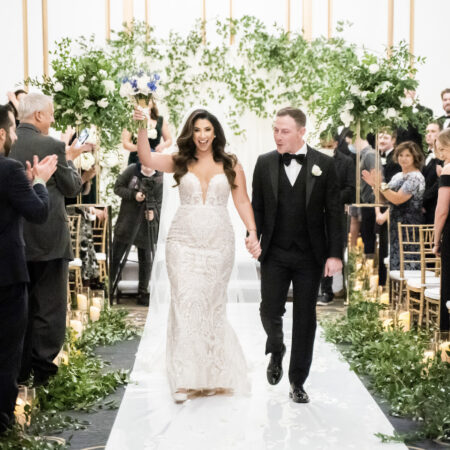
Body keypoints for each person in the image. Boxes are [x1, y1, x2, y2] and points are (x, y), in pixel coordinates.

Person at [134, 107, 260, 402]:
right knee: (185, 303)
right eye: (197, 130)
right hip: (183, 243)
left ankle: (214, 372)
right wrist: (140, 127)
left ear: (215, 133)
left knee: (212, 305)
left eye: (207, 130)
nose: (202, 136)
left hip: (219, 243)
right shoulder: (179, 161)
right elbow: (147, 159)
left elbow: (241, 200)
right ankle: (183, 377)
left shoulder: (230, 163)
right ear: (190, 133)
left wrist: (252, 231)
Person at [251, 107, 342, 403]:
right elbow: (257, 209)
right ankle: (276, 348)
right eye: (275, 129)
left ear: (302, 132)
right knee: (269, 309)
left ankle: (297, 381)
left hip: (309, 256)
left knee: (305, 319)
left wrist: (334, 255)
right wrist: (252, 237)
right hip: (274, 251)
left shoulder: (325, 165)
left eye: (284, 131)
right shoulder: (264, 163)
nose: (278, 135)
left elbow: (334, 214)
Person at [9, 93, 83, 386]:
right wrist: (71, 158)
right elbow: (72, 185)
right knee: (50, 308)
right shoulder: (52, 145)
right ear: (39, 115)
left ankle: (20, 369)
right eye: (50, 114)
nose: (53, 120)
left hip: (16, 239)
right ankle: (43, 372)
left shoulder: (8, 144)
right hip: (49, 238)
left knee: (21, 307)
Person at [0, 105, 57, 433]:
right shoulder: (8, 170)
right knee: (6, 351)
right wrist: (39, 182)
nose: (17, 135)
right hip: (6, 275)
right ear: (2, 133)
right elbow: (37, 213)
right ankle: (2, 422)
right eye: (13, 128)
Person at [363, 141, 425, 270]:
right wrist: (374, 185)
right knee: (393, 265)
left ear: (415, 157)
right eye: (401, 155)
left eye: (407, 155)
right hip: (394, 226)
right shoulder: (397, 176)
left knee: (407, 264)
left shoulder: (416, 177)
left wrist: (380, 185)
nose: (403, 158)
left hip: (409, 228)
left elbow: (397, 199)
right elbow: (383, 200)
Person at [110, 162, 163, 306]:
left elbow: (161, 202)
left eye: (150, 166)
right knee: (116, 255)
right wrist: (134, 195)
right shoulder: (131, 170)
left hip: (146, 226)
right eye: (144, 165)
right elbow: (117, 188)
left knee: (146, 260)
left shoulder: (160, 177)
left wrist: (154, 214)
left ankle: (143, 292)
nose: (146, 168)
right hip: (127, 221)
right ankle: (108, 287)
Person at [317, 133, 355, 305]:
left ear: (335, 142)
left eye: (328, 141)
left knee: (332, 249)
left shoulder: (346, 161)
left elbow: (350, 188)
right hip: (315, 212)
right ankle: (317, 288)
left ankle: (329, 290)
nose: (325, 144)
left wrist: (331, 198)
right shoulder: (314, 159)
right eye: (322, 141)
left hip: (336, 212)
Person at [433, 128, 450, 331]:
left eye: (444, 149)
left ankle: (447, 342)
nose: (441, 155)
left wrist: (436, 240)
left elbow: (442, 211)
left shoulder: (448, 169)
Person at [122, 98, 172, 165]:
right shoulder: (131, 120)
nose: (145, 102)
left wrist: (162, 145)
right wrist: (141, 149)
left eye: (148, 99)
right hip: (136, 159)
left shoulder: (160, 120)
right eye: (142, 100)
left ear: (153, 102)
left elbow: (169, 140)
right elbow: (125, 144)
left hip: (155, 158)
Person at [423, 121, 444, 224]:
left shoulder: (443, 157)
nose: (429, 134)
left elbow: (439, 182)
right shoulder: (423, 155)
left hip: (434, 206)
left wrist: (423, 202)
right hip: (421, 210)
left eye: (433, 131)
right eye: (427, 131)